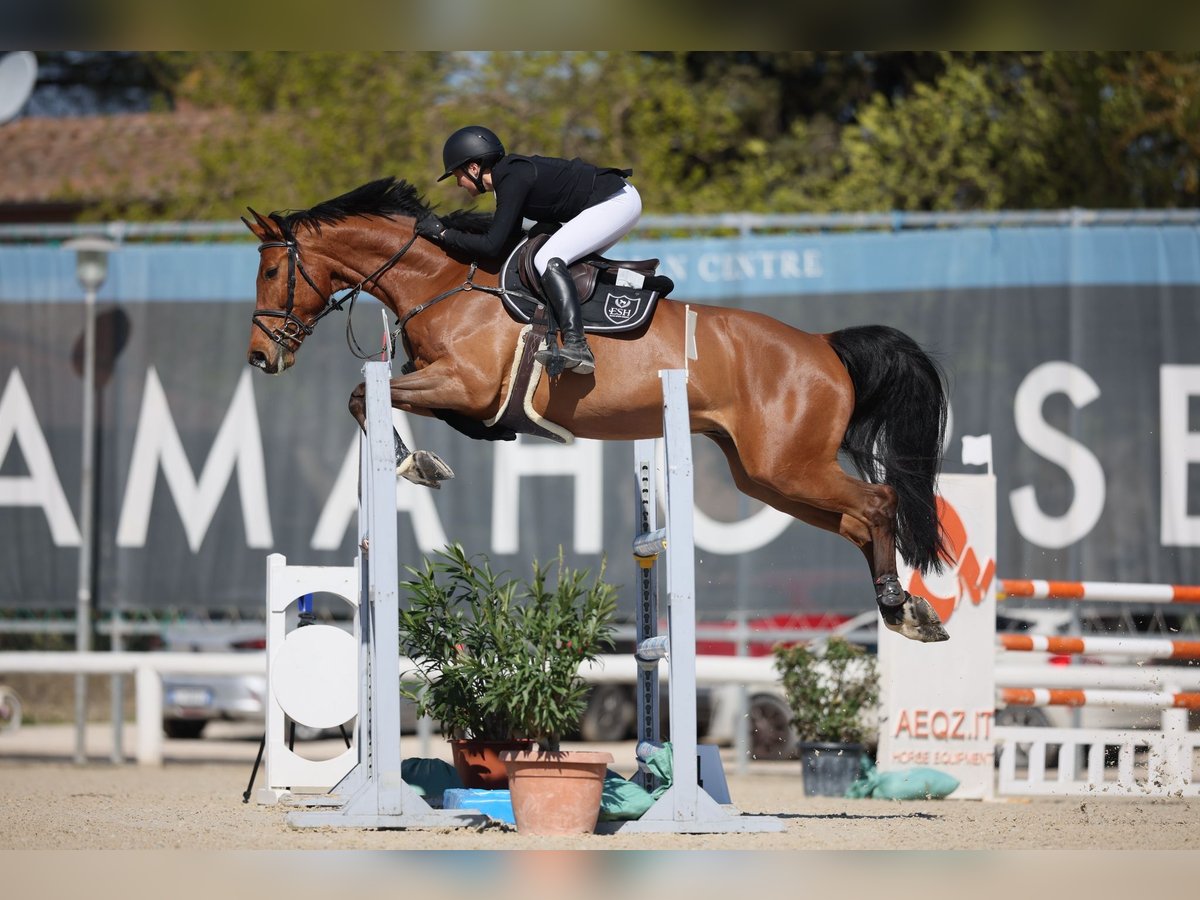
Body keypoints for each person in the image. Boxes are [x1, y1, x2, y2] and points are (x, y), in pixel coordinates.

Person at [415, 125, 641, 376]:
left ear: (474, 168)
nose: (458, 183)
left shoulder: (512, 178)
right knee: (562, 260)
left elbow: (492, 245)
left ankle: (577, 346)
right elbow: (506, 241)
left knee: (548, 258)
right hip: (613, 200)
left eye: (457, 175)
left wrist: (443, 234)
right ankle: (640, 284)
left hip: (615, 202)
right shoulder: (507, 178)